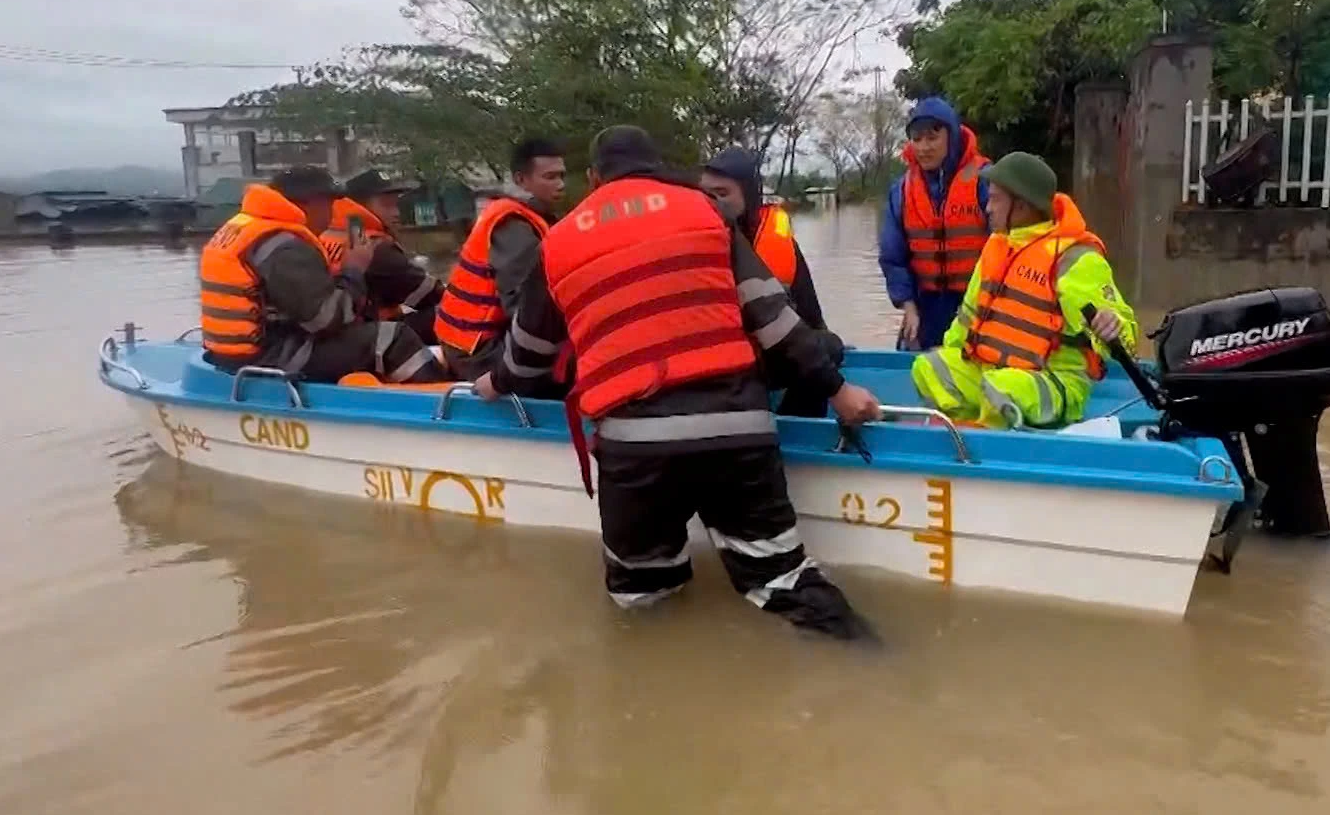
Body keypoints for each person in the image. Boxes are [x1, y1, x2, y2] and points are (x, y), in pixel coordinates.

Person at [482, 125, 883, 640]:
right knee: (783, 582)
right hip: (736, 431)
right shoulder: (706, 211)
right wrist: (839, 391)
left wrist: (494, 383)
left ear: (594, 177)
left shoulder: (559, 241)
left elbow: (529, 354)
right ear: (657, 167)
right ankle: (881, 663)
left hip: (637, 451)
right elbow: (777, 321)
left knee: (643, 603)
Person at [909, 152, 1138, 430]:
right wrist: (951, 352)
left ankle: (983, 440)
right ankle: (965, 423)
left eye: (995, 199)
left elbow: (1125, 335)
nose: (987, 207)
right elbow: (967, 319)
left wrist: (1112, 325)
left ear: (1020, 206)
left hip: (1054, 382)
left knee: (1000, 388)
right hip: (992, 368)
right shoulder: (997, 246)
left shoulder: (1074, 260)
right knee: (928, 367)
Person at [198, 166, 449, 384]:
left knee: (382, 331)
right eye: (328, 204)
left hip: (237, 353)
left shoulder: (249, 228)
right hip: (274, 356)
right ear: (310, 202)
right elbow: (327, 320)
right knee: (391, 338)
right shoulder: (285, 246)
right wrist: (354, 268)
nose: (331, 214)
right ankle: (442, 403)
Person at [701, 147, 843, 418]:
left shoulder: (776, 240)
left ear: (749, 194)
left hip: (765, 352)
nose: (712, 202)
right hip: (716, 361)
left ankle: (797, 422)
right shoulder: (693, 239)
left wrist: (820, 339)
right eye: (706, 195)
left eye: (722, 194)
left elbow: (809, 308)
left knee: (828, 346)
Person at [435, 137, 567, 383]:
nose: (560, 185)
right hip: (478, 351)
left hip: (469, 341)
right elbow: (524, 308)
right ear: (520, 180)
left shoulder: (534, 218)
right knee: (573, 368)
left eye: (562, 176)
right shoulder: (514, 227)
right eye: (550, 177)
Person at [878, 96, 990, 352]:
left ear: (951, 137)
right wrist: (908, 307)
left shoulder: (985, 180)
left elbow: (1007, 248)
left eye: (932, 137)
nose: (923, 147)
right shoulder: (902, 190)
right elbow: (893, 257)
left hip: (979, 306)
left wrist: (980, 306)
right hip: (924, 307)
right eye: (916, 139)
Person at [319, 170, 444, 343]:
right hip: (369, 333)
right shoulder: (374, 247)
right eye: (387, 205)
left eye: (396, 204)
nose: (396, 213)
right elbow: (429, 293)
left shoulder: (326, 235)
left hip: (336, 330)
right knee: (455, 312)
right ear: (359, 205)